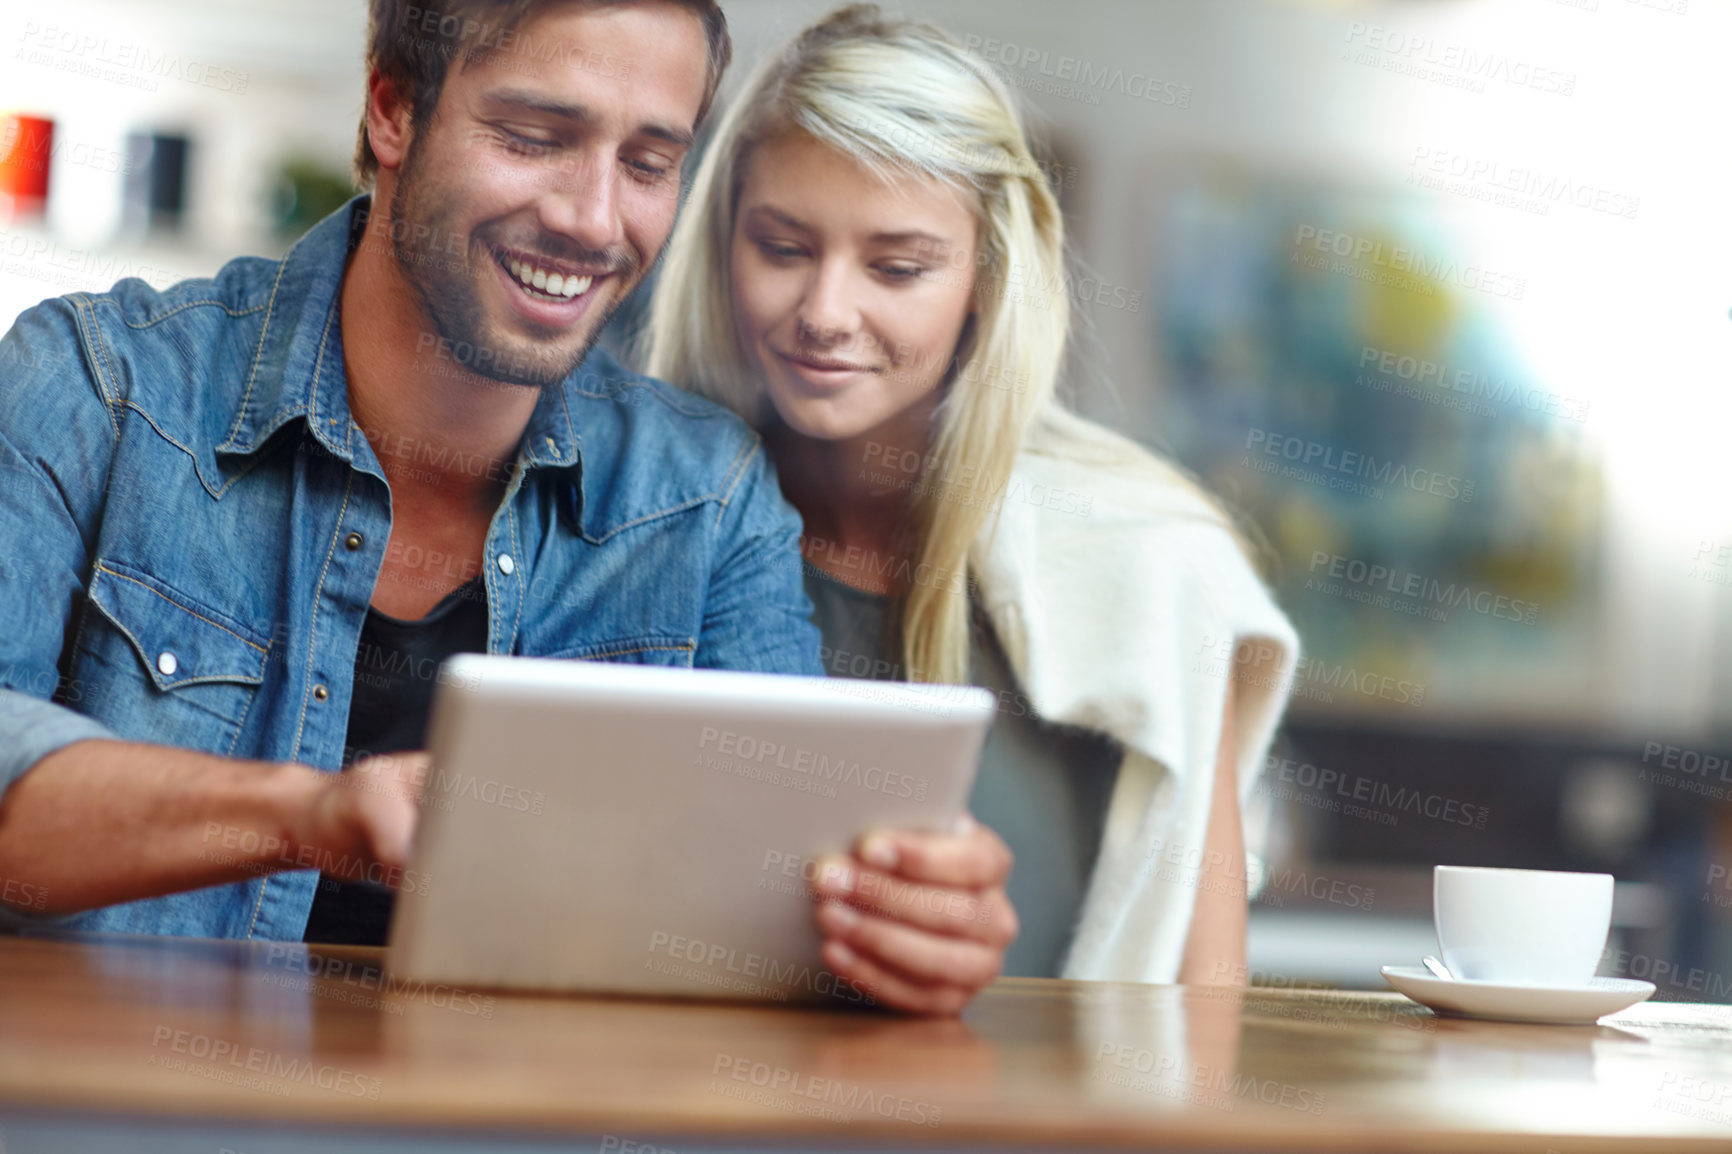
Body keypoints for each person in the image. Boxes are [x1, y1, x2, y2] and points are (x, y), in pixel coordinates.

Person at [0, 0, 1014, 1014]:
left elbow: (789, 903)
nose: (592, 218)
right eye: (535, 139)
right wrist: (314, 811)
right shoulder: (96, 387)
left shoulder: (706, 497)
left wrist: (899, 923)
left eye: (649, 164)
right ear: (392, 108)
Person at [644, 3, 1301, 984]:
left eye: (897, 266)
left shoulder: (1153, 565)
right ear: (723, 241)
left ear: (987, 275)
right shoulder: (629, 517)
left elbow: (1199, 1010)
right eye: (781, 247)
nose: (825, 312)